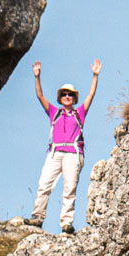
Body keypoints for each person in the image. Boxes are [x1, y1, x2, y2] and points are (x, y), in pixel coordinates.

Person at [25, 58, 100, 233]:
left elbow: (91, 95)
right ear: (60, 97)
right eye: (65, 94)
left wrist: (95, 76)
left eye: (71, 95)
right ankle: (37, 217)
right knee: (44, 184)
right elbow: (40, 96)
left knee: (69, 187)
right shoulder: (54, 112)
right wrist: (37, 77)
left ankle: (66, 223)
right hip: (55, 152)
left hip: (73, 154)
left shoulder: (79, 113)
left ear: (74, 98)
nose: (67, 97)